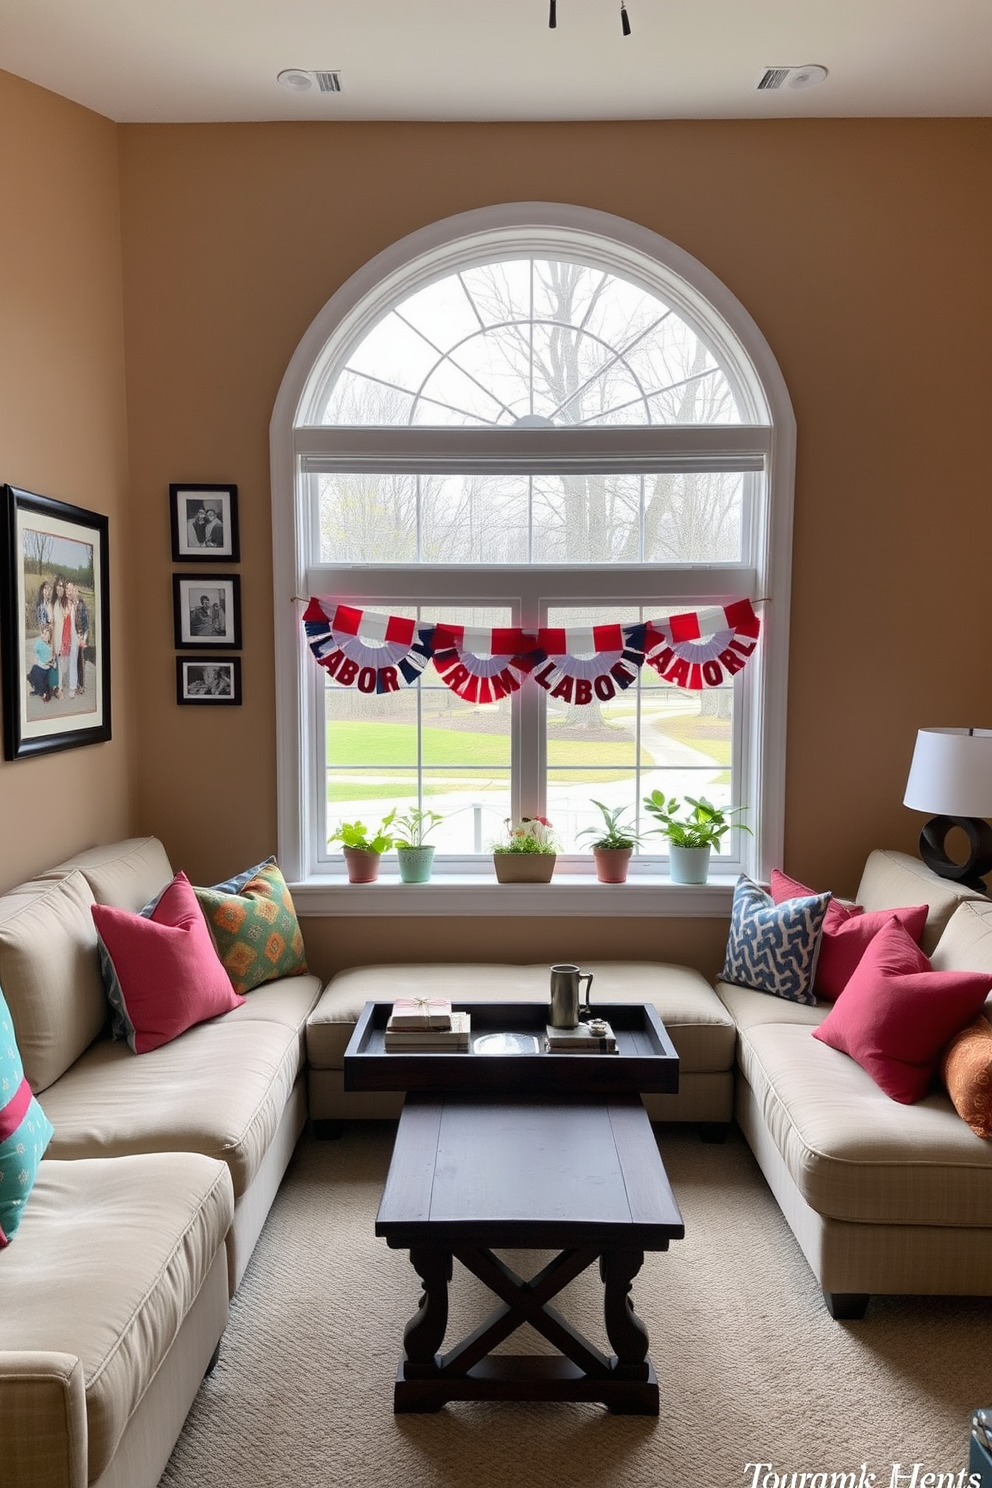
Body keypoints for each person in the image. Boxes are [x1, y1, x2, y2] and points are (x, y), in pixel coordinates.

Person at [51, 575, 74, 699]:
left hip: (65, 639)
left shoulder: (66, 603)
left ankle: (59, 685)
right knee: (58, 664)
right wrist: (53, 643)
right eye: (59, 585)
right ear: (55, 587)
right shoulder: (54, 603)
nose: (60, 588)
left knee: (64, 665)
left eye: (62, 586)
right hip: (57, 638)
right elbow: (53, 625)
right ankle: (58, 688)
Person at [26, 623, 57, 701]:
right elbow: (35, 652)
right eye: (43, 633)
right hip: (40, 666)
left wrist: (52, 663)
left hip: (46, 669)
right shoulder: (39, 642)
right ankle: (37, 689)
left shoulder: (51, 646)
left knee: (44, 685)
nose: (44, 636)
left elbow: (53, 659)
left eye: (47, 634)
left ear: (50, 636)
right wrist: (38, 659)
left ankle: (44, 691)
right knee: (35, 670)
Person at [74, 587, 90, 695]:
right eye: (73, 591)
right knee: (74, 662)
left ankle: (81, 686)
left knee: (80, 662)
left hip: (80, 637)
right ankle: (76, 684)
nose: (74, 593)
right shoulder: (71, 605)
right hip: (73, 637)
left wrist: (84, 639)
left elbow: (86, 625)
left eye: (76, 591)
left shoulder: (82, 607)